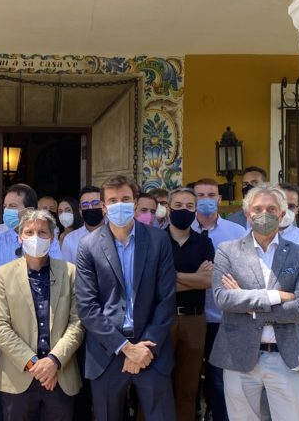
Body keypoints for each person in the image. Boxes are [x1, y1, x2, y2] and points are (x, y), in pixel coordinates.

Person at [210, 183, 299, 421]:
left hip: (286, 356)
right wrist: (276, 296)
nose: (264, 214)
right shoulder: (227, 251)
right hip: (238, 355)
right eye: (257, 209)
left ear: (282, 214)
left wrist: (250, 306)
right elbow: (223, 298)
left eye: (271, 209)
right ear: (247, 214)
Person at [74, 175, 176, 421]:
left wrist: (144, 348)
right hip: (107, 353)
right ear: (104, 206)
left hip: (151, 350)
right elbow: (87, 307)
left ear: (135, 202)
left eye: (126, 199)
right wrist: (126, 348)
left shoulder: (158, 240)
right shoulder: (88, 246)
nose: (119, 205)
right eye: (113, 200)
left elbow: (166, 299)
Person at [0, 209, 84, 421]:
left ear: (52, 237)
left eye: (42, 232)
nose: (35, 237)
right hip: (18, 376)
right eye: (29, 232)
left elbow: (77, 323)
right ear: (20, 237)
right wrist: (35, 365)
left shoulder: (70, 272)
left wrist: (53, 361)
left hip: (60, 375)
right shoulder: (3, 274)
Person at [190, 176, 247, 421]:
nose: (206, 200)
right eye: (200, 196)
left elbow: (245, 271)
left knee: (219, 378)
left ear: (219, 199)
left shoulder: (236, 232)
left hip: (222, 318)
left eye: (211, 195)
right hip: (190, 316)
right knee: (189, 375)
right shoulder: (181, 229)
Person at [164, 187, 214, 421]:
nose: (184, 210)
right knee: (156, 382)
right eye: (178, 205)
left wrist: (172, 277)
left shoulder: (204, 243)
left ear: (195, 211)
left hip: (194, 319)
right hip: (161, 319)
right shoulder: (155, 240)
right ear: (168, 208)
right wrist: (194, 278)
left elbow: (208, 281)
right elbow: (153, 284)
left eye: (189, 206)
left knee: (189, 386)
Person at [0, 184, 63, 277]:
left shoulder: (49, 242)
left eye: (12, 206)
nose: (6, 210)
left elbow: (57, 275)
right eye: (5, 206)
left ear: (30, 211)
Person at [60, 186, 103, 264]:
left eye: (95, 203)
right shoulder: (70, 240)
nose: (90, 207)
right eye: (85, 205)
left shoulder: (115, 233)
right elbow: (66, 270)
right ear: (80, 210)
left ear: (104, 206)